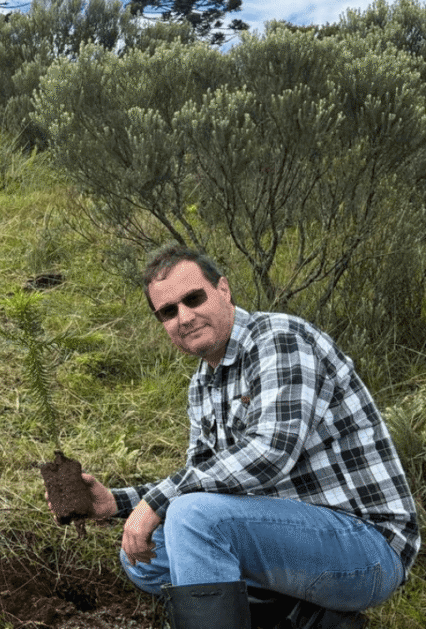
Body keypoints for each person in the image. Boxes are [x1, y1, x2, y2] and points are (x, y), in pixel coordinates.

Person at [48, 244, 420, 629]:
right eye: (169, 311)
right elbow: (200, 479)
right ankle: (310, 620)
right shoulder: (202, 384)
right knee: (145, 558)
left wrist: (156, 504)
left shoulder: (279, 339)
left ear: (223, 290)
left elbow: (270, 452)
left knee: (191, 519)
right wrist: (117, 503)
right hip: (289, 535)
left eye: (194, 298)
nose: (185, 317)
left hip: (365, 547)